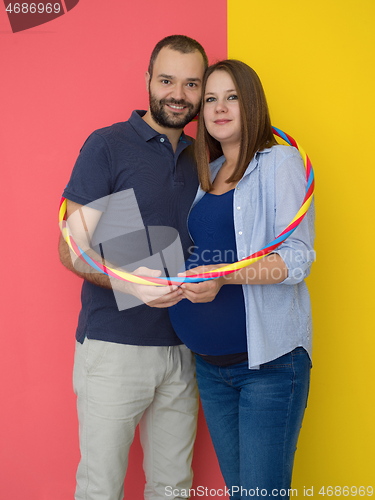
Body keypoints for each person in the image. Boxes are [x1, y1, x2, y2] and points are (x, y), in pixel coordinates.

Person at [58, 35, 208, 500]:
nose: (177, 95)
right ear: (147, 81)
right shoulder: (107, 145)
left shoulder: (208, 156)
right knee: (102, 487)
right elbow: (70, 248)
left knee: (173, 487)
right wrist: (128, 283)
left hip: (185, 350)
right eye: (166, 80)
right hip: (114, 348)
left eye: (190, 84)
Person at [169, 60, 315, 500]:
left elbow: (297, 259)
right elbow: (206, 253)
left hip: (267, 367)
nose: (219, 107)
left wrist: (222, 279)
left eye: (231, 96)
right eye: (210, 98)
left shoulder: (280, 163)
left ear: (251, 101)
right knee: (242, 495)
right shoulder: (208, 174)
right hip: (211, 370)